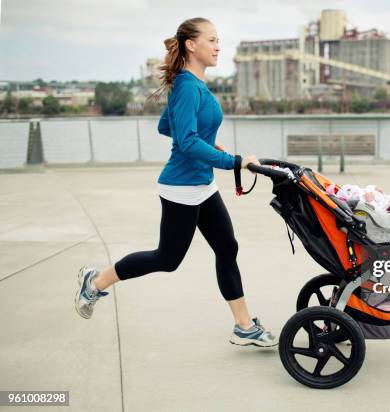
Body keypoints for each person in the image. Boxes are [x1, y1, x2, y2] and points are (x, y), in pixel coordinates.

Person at [74, 17, 277, 347]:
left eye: (218, 40)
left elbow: (167, 128)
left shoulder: (193, 84)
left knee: (227, 247)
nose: (218, 46)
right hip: (182, 187)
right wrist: (235, 162)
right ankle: (95, 281)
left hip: (201, 184)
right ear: (191, 45)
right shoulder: (186, 85)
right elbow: (185, 141)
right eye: (211, 40)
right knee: (167, 260)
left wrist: (207, 143)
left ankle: (244, 325)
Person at [324, 181, 390, 212]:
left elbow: (379, 214)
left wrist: (370, 201)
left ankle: (338, 196)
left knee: (356, 194)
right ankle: (341, 193)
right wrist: (378, 190)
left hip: (366, 205)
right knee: (357, 189)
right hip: (367, 196)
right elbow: (383, 198)